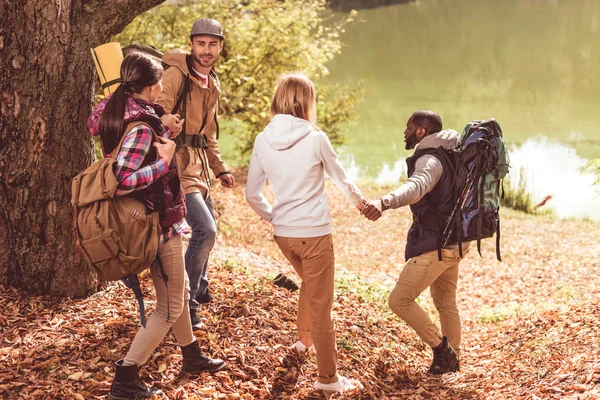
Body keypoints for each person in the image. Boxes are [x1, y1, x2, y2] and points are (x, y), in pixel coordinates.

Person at [88, 52, 225, 400]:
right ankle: (127, 377)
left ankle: (191, 356)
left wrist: (165, 127)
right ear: (152, 86)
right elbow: (121, 179)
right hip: (156, 222)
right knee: (170, 306)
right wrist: (163, 162)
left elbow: (114, 136)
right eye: (160, 79)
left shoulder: (120, 111)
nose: (164, 82)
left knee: (174, 295)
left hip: (143, 219)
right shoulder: (141, 126)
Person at [245, 73, 364, 393]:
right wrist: (362, 204)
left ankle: (303, 342)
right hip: (313, 235)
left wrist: (275, 217)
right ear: (307, 102)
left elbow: (252, 194)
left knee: (309, 285)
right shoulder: (315, 138)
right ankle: (328, 380)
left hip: (284, 237)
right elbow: (342, 179)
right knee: (322, 304)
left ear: (278, 100)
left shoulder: (262, 139)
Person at [362, 110, 467, 375]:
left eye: (408, 127)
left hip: (438, 244)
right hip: (457, 240)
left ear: (421, 131)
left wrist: (385, 202)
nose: (404, 132)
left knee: (400, 300)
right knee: (446, 302)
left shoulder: (431, 158)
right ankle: (452, 360)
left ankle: (442, 350)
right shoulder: (453, 153)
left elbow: (416, 186)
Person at [156, 18, 234, 331]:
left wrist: (221, 169)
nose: (206, 50)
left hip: (200, 170)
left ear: (220, 47)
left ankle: (198, 285)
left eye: (212, 44)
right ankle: (184, 304)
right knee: (206, 231)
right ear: (191, 45)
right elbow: (154, 111)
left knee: (208, 234)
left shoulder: (212, 83)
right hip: (178, 169)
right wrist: (167, 121)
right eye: (201, 44)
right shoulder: (176, 74)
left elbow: (209, 135)